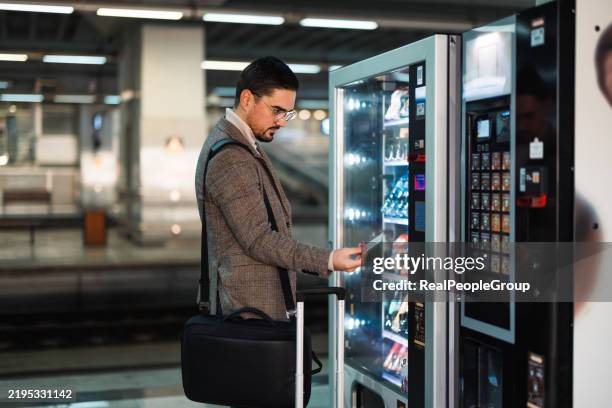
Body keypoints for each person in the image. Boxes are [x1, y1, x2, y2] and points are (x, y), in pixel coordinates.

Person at [195, 56, 362, 320]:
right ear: (247, 99)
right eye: (276, 110)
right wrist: (328, 259)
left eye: (288, 113)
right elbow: (258, 239)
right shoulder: (232, 157)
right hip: (248, 313)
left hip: (251, 309)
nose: (283, 121)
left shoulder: (241, 144)